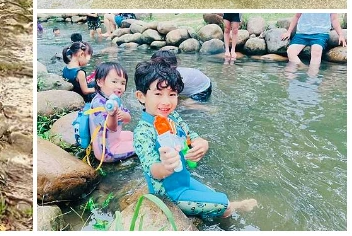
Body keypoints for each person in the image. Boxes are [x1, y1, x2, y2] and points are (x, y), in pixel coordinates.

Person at [132, 59, 258, 219]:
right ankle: (234, 208)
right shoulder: (143, 132)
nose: (166, 101)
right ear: (141, 96)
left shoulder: (172, 116)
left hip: (184, 180)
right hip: (169, 194)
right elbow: (152, 170)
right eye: (158, 94)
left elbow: (190, 135)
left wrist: (201, 143)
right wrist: (165, 166)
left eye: (172, 94)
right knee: (224, 205)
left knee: (217, 195)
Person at [87, 62, 135, 163]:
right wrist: (112, 114)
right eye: (114, 81)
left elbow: (128, 119)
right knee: (141, 144)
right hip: (107, 151)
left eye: (122, 83)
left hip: (113, 139)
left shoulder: (114, 99)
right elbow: (112, 127)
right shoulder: (98, 103)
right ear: (100, 82)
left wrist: (123, 115)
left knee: (134, 135)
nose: (119, 86)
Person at [282, 13, 346, 76]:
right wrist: (289, 32)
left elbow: (334, 19)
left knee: (316, 51)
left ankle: (312, 77)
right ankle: (303, 69)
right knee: (290, 52)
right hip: (302, 33)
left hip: (320, 34)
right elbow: (296, 16)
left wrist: (340, 34)